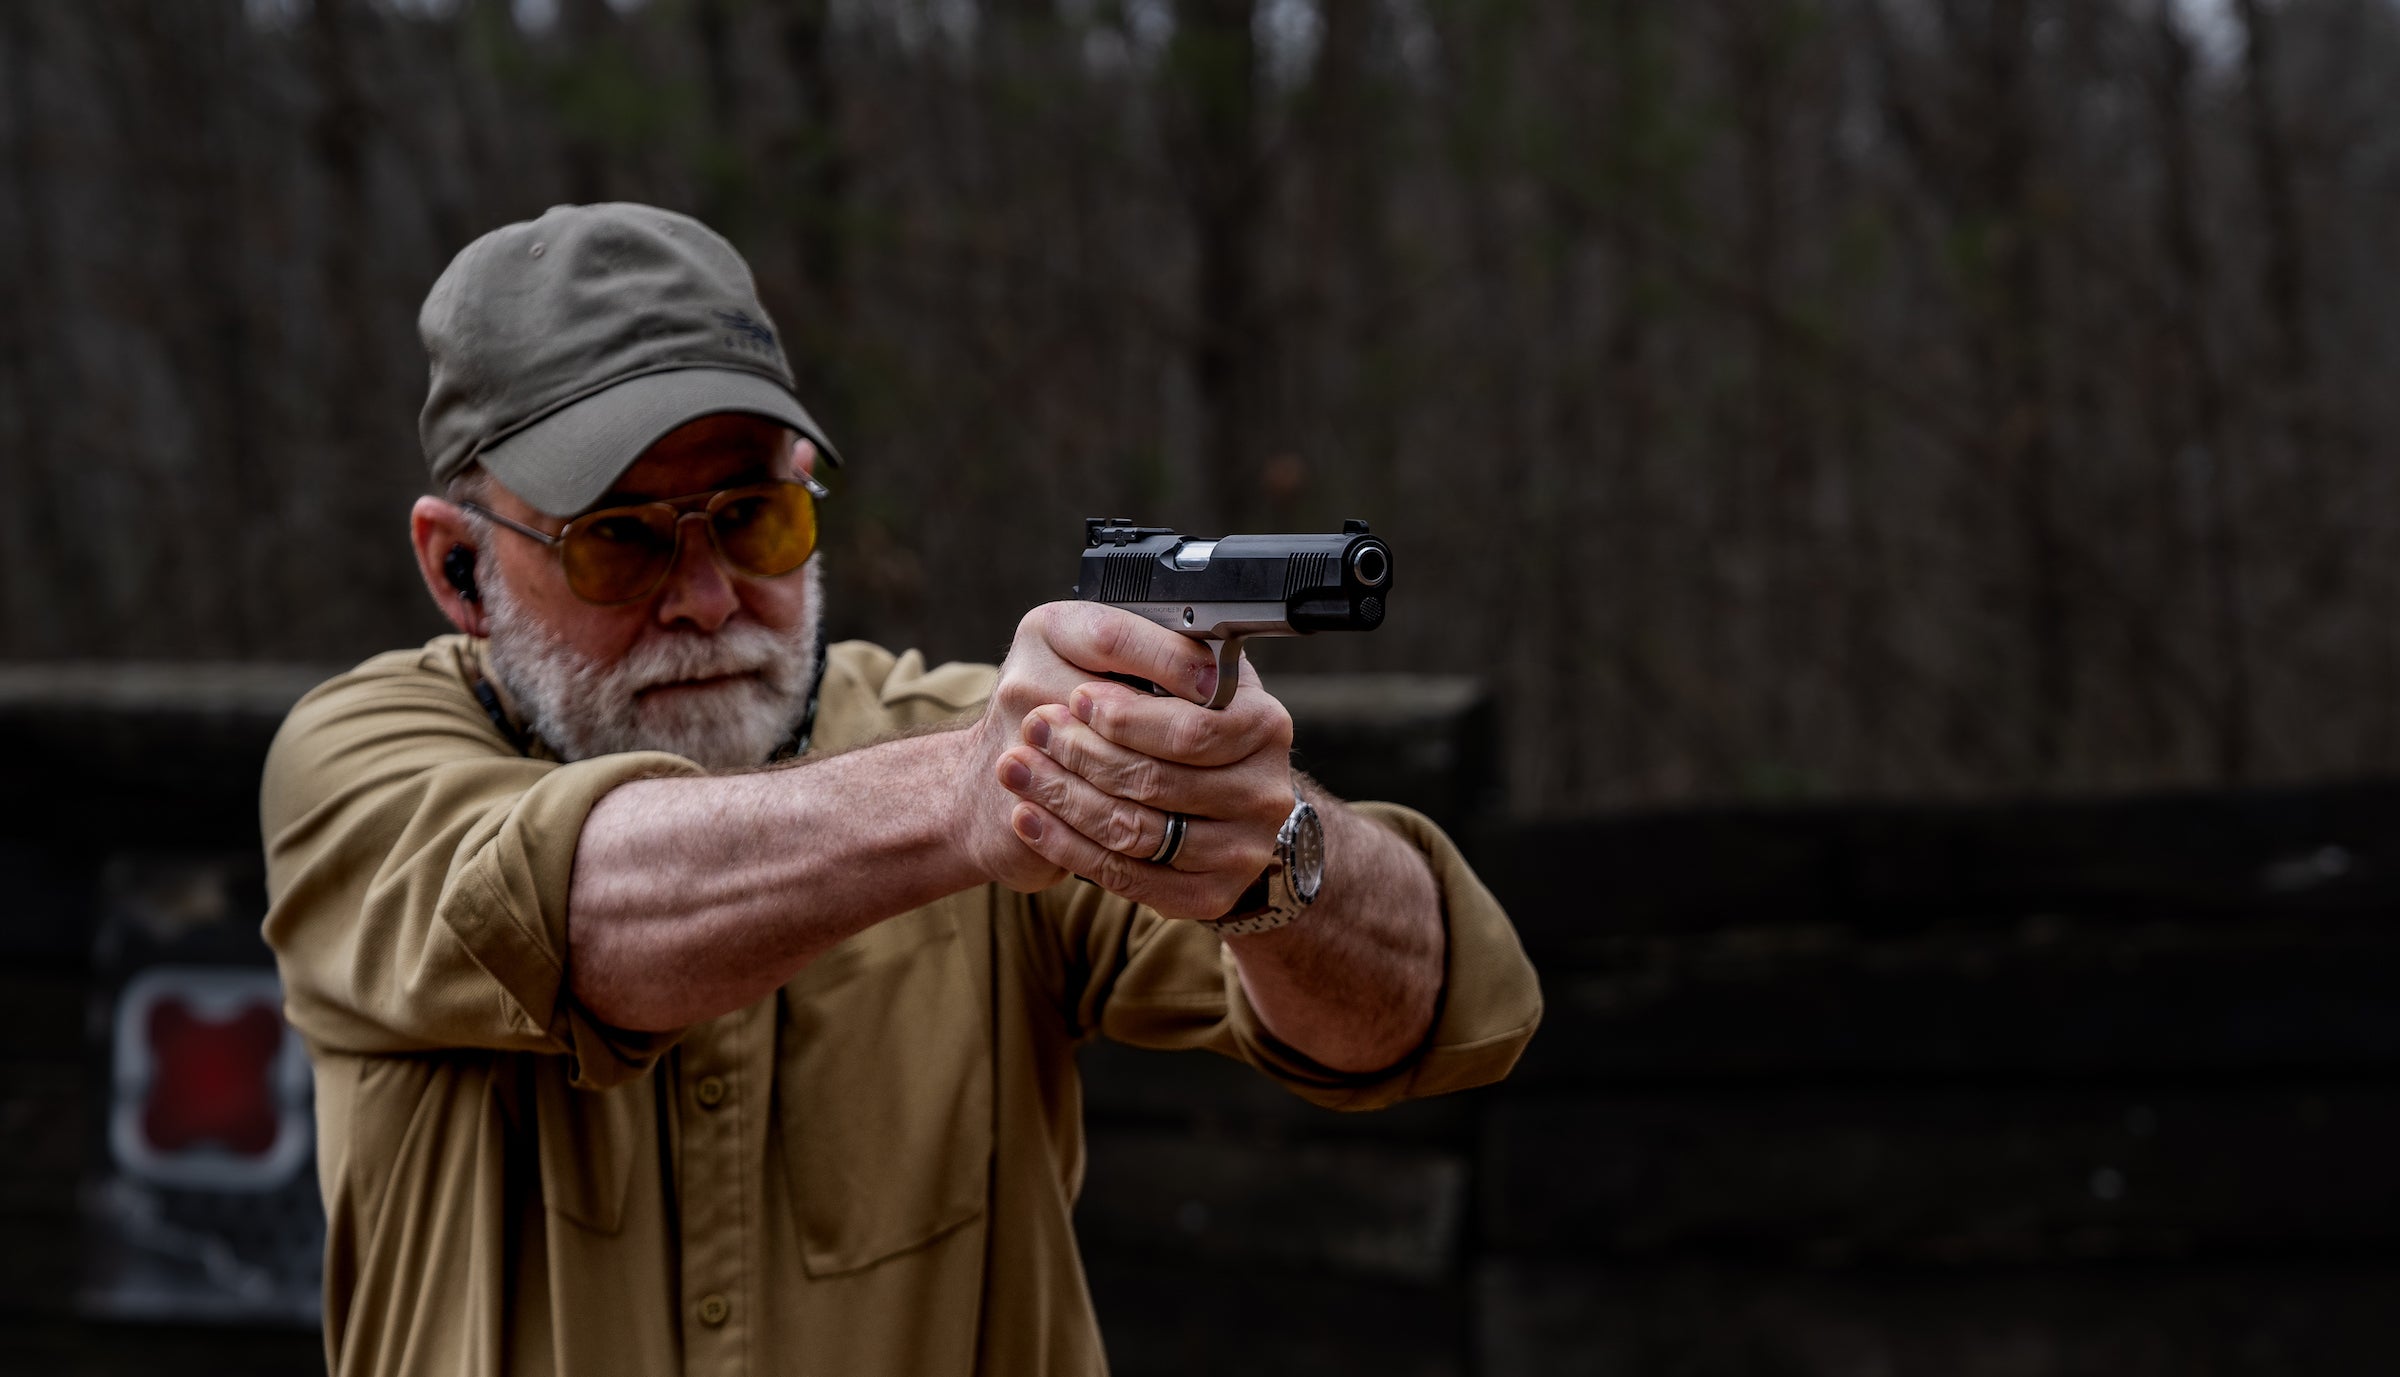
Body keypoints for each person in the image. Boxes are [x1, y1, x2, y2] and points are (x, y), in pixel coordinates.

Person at [259, 202, 1540, 1377]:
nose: (706, 600)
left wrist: (1272, 852)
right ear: (459, 568)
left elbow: (1414, 1012)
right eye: (621, 540)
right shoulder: (356, 760)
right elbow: (567, 910)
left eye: (756, 520)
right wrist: (968, 794)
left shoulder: (991, 745)